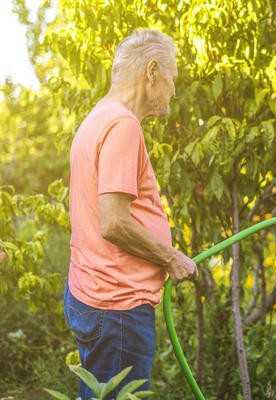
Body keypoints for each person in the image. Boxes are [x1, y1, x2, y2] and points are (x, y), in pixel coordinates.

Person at [64, 29, 197, 399]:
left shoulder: (97, 118)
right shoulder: (123, 126)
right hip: (117, 306)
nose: (173, 89)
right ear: (152, 71)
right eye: (172, 78)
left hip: (94, 295)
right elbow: (114, 221)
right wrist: (170, 258)